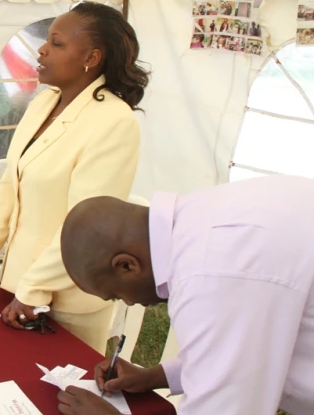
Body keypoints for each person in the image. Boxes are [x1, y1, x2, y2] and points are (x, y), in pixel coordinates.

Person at [0, 2, 148, 352]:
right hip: (17, 277)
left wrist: (34, 290)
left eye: (57, 43)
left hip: (67, 297)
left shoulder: (115, 122)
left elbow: (87, 227)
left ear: (92, 57)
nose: (42, 49)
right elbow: (13, 179)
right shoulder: (44, 102)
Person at [56, 176, 314, 415]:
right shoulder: (201, 219)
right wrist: (156, 377)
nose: (130, 302)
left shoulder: (209, 272)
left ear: (126, 265)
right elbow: (236, 354)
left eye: (116, 295)